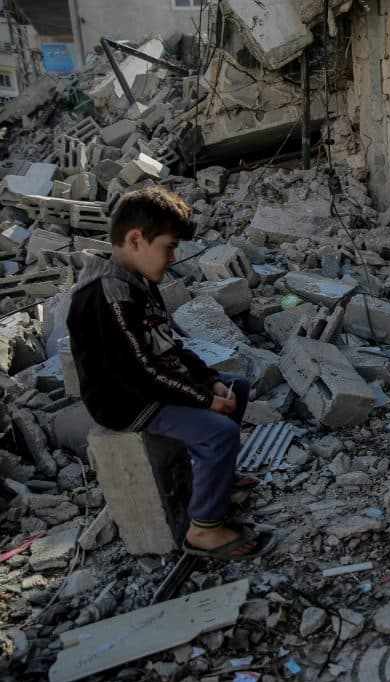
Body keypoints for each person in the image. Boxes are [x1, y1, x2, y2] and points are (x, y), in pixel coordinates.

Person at [67, 187, 274, 560]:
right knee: (220, 432)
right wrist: (202, 398)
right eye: (168, 246)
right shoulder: (108, 295)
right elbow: (139, 371)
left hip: (151, 384)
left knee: (236, 388)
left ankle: (213, 479)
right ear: (135, 239)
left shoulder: (140, 284)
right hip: (127, 400)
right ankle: (203, 531)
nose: (173, 256)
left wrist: (210, 381)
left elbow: (169, 347)